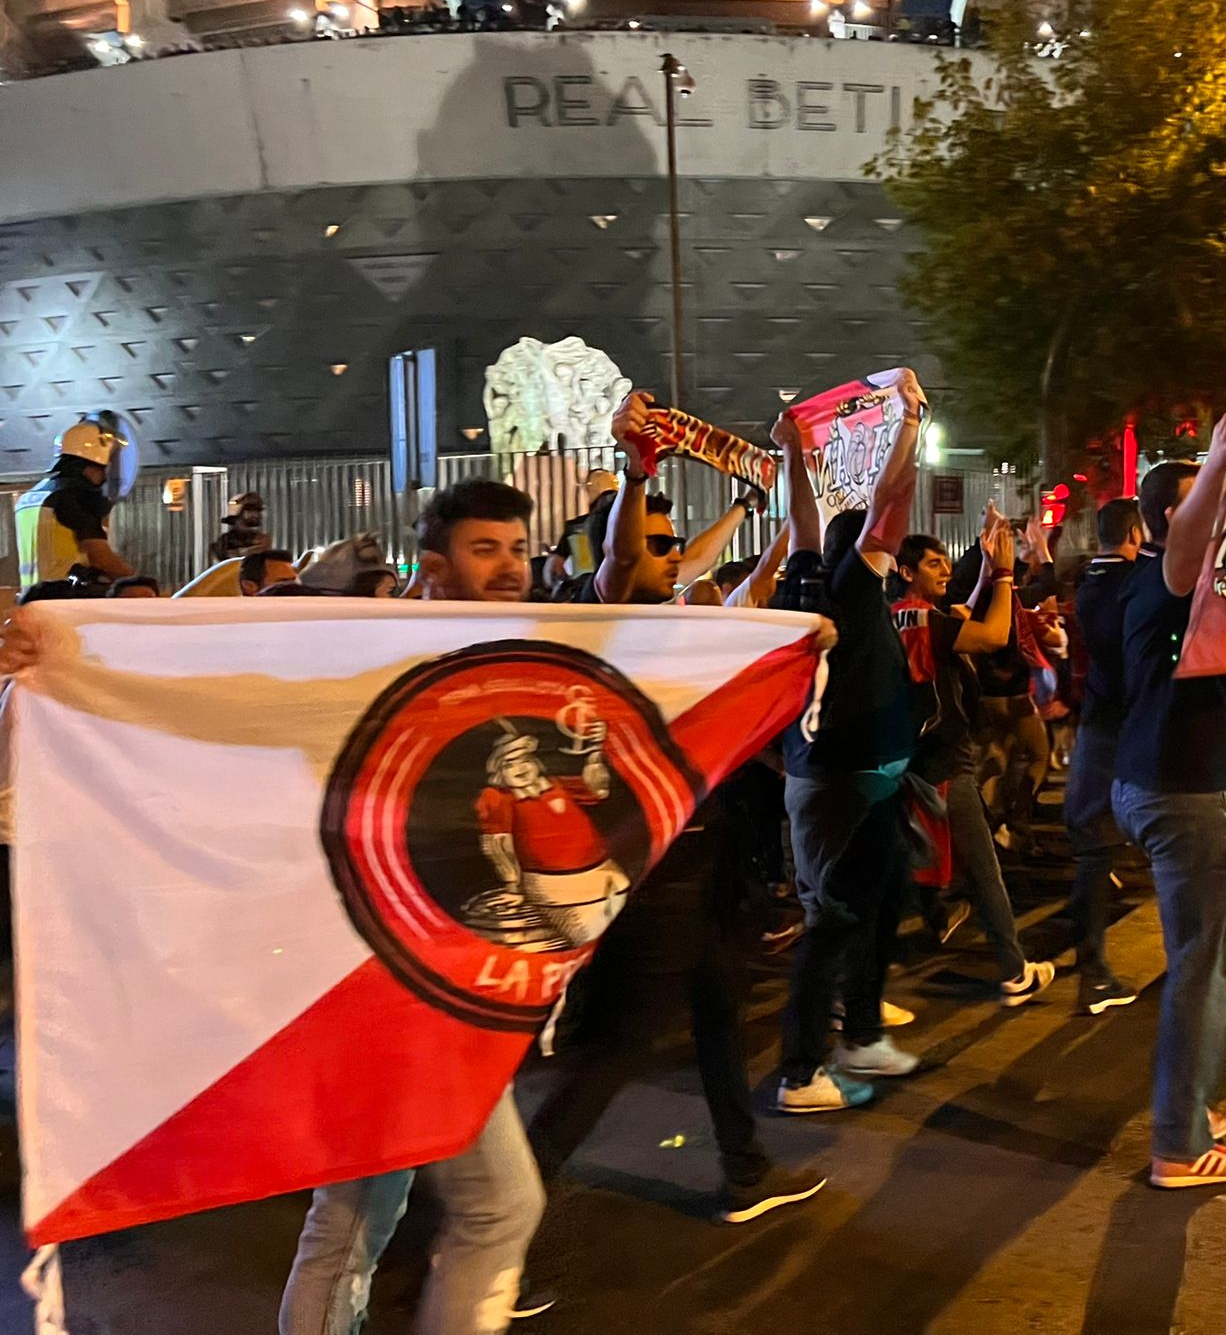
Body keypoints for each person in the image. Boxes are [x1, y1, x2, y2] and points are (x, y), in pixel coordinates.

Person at [280, 477, 545, 1335]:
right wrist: (61, 651)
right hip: (395, 985)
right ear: (433, 568)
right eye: (484, 550)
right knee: (498, 1205)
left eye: (517, 549)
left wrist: (790, 639)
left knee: (359, 1213)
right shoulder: (385, 658)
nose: (509, 567)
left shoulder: (506, 657)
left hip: (426, 973)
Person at [1113, 405, 1226, 1189]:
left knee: (1196, 959)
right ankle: (1179, 1142)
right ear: (1181, 513)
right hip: (1186, 794)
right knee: (1201, 968)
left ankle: (1192, 1105)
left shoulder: (1185, 585)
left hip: (1171, 786)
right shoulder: (1174, 577)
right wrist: (1219, 459)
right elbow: (1186, 544)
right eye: (1219, 498)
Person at [775, 376, 929, 1113]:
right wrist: (910, 424)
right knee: (832, 918)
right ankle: (800, 1072)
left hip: (853, 780)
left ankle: (861, 1029)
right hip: (842, 782)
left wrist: (794, 458)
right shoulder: (860, 595)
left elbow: (806, 524)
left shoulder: (804, 577)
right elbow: (888, 509)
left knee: (884, 892)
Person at [894, 521, 1055, 1006]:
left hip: (930, 759)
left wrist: (987, 569)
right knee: (984, 872)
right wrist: (1004, 573)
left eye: (946, 559)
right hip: (944, 760)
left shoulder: (913, 616)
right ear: (904, 572)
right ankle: (1013, 970)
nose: (945, 568)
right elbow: (989, 634)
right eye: (932, 562)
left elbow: (964, 613)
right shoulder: (920, 620)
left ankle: (858, 986)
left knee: (935, 870)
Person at [1063, 496, 1146, 1015]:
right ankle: (1093, 973)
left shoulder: (1093, 581)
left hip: (1102, 722)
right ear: (1136, 532)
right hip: (1130, 726)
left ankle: (1092, 968)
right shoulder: (1131, 584)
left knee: (1096, 847)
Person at [584, 392, 755, 606]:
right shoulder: (608, 597)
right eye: (661, 545)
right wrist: (636, 468)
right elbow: (623, 557)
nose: (675, 557)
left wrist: (746, 503)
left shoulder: (649, 584)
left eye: (674, 545)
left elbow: (700, 558)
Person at [14, 417, 131, 591]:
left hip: (34, 601)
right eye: (105, 468)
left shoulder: (32, 497)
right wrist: (135, 581)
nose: (106, 477)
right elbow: (101, 557)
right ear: (92, 465)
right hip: (68, 602)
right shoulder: (75, 496)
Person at [212, 492, 272, 561]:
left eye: (257, 510)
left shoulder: (263, 540)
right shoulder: (223, 542)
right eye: (250, 510)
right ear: (238, 515)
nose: (255, 515)